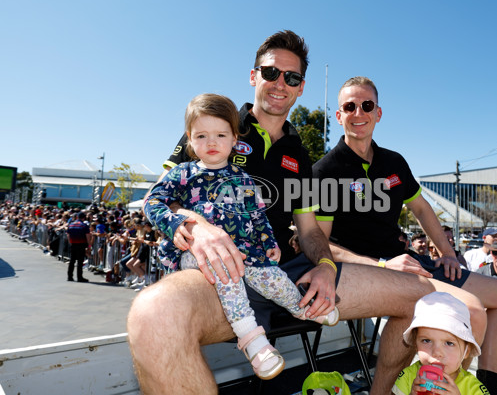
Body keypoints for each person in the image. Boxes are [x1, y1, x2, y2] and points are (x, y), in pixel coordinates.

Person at [127, 31, 464, 395]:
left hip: (286, 272)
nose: (280, 84)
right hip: (218, 273)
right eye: (271, 73)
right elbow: (156, 197)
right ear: (254, 76)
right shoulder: (215, 126)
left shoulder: (299, 154)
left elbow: (310, 232)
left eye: (292, 77)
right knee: (152, 315)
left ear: (301, 87)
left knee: (422, 293)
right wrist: (198, 226)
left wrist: (325, 266)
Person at [312, 76, 497, 395]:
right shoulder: (325, 171)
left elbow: (422, 210)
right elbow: (321, 244)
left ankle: (488, 390)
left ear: (378, 113)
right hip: (366, 269)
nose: (358, 113)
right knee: (473, 309)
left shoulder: (394, 163)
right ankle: (444, 388)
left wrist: (447, 253)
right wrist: (382, 265)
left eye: (366, 105)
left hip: (411, 262)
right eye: (349, 106)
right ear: (338, 115)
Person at [143, 93, 339, 379]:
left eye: (220, 135)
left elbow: (257, 215)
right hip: (195, 255)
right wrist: (177, 225)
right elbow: (153, 201)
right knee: (228, 273)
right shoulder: (183, 174)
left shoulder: (243, 178)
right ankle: (252, 341)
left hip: (245, 252)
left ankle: (301, 308)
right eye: (201, 135)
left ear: (234, 139)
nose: (211, 143)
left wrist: (270, 244)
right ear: (189, 138)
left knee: (272, 276)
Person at [392, 292, 488, 395]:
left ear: (466, 351)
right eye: (426, 341)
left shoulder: (474, 388)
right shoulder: (408, 376)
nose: (437, 352)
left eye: (449, 343)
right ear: (416, 345)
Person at [65, 212, 91, 282]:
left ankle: (69, 276)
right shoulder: (84, 225)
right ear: (84, 218)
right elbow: (88, 236)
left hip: (73, 244)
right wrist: (89, 245)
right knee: (80, 261)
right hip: (81, 244)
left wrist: (70, 242)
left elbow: (68, 235)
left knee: (72, 261)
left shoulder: (71, 225)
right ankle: (79, 277)